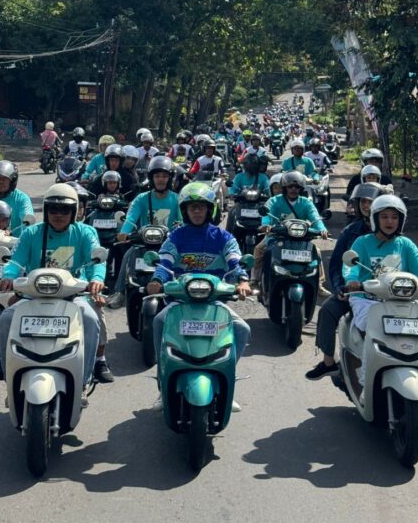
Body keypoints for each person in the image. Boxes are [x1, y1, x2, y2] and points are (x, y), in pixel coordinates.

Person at [146, 181, 252, 410]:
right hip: (180, 301)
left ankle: (226, 379)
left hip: (214, 302)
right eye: (191, 207)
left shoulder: (223, 237)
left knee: (242, 329)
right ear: (184, 211)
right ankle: (163, 385)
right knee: (159, 321)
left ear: (210, 209)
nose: (196, 212)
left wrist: (243, 280)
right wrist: (156, 280)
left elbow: (234, 261)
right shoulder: (175, 237)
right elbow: (164, 263)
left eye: (201, 207)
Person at [0, 183, 108, 389]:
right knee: (6, 318)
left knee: (91, 319)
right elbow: (15, 262)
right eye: (53, 209)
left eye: (65, 210)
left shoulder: (85, 232)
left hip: (73, 295)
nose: (58, 215)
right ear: (46, 211)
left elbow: (96, 261)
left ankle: (84, 379)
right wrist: (8, 276)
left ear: (74, 211)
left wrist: (97, 279)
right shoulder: (31, 233)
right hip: (34, 294)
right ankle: (8, 373)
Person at [343, 195, 418, 398]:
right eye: (384, 217)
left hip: (403, 299)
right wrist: (352, 280)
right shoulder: (362, 242)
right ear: (375, 219)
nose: (390, 221)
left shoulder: (405, 244)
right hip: (367, 298)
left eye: (394, 217)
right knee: (368, 325)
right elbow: (350, 268)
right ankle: (365, 379)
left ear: (401, 220)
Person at [305, 183, 381, 380]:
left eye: (371, 202)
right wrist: (340, 288)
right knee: (327, 310)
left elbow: (412, 265)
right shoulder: (351, 231)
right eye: (363, 202)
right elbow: (337, 264)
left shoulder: (398, 237)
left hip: (387, 293)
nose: (367, 206)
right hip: (356, 291)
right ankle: (328, 362)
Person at [107, 155, 182, 307]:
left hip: (169, 245)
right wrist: (124, 232)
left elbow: (182, 221)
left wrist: (180, 231)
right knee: (129, 254)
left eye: (164, 176)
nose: (160, 179)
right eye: (157, 176)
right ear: (151, 178)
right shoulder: (141, 198)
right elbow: (130, 218)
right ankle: (120, 292)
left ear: (170, 178)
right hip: (143, 244)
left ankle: (182, 290)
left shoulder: (177, 199)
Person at [251, 170, 329, 287]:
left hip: (301, 238)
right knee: (259, 249)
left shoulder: (306, 203)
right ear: (285, 188)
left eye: (297, 187)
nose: (293, 189)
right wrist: (266, 225)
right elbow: (267, 214)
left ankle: (319, 284)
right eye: (290, 186)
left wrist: (322, 229)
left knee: (316, 251)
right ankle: (254, 279)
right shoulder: (274, 201)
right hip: (275, 236)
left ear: (301, 189)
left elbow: (315, 218)